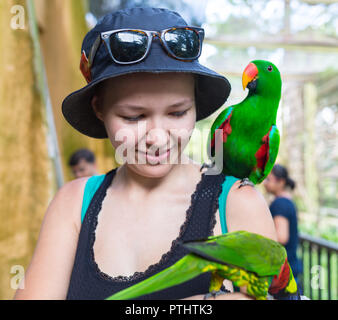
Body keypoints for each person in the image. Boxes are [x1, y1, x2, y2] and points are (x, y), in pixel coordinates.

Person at [14, 7, 278, 300]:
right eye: (133, 117)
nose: (157, 137)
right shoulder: (73, 204)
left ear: (195, 104)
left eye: (178, 113)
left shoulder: (238, 205)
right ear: (99, 109)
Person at [263, 164, 302, 283]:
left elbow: (281, 237)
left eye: (268, 179)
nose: (264, 182)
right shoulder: (286, 201)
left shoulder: (280, 203)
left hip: (283, 270)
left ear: (281, 182)